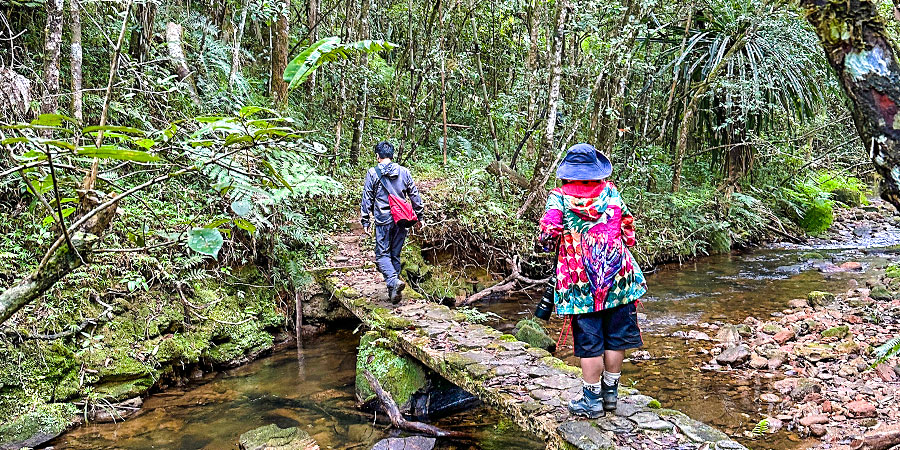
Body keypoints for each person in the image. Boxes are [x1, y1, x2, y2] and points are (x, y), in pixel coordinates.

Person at [538, 143, 647, 418]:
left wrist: (556, 242)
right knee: (615, 337)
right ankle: (611, 395)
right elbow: (627, 227)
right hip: (618, 277)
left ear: (568, 173)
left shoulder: (559, 197)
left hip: (579, 282)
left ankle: (591, 401)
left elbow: (548, 234)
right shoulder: (610, 191)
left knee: (590, 341)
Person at [360, 141, 424, 303]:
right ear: (392, 155)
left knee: (382, 255)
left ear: (377, 156)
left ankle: (393, 281)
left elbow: (367, 197)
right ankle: (393, 293)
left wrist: (366, 220)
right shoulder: (404, 172)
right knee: (394, 254)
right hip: (402, 219)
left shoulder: (373, 173)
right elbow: (414, 195)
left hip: (383, 220)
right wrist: (420, 216)